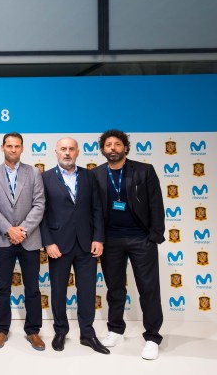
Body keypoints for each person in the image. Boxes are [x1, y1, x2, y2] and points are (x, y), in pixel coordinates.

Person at [92, 129, 165, 360]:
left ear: (125, 147)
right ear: (103, 149)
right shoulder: (96, 174)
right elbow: (93, 211)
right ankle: (115, 330)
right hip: (111, 239)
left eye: (117, 144)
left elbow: (156, 204)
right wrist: (98, 238)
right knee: (114, 288)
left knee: (148, 289)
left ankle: (152, 337)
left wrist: (154, 236)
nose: (112, 148)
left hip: (140, 238)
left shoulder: (144, 170)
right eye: (108, 145)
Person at [40, 138, 108, 354]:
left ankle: (87, 334)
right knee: (58, 290)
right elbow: (40, 213)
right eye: (63, 149)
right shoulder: (45, 178)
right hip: (58, 245)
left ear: (78, 152)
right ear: (56, 151)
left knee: (87, 291)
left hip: (87, 244)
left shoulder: (89, 176)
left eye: (71, 149)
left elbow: (97, 209)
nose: (67, 153)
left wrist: (98, 237)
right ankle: (60, 331)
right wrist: (48, 242)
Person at [0, 132, 45, 350]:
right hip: (3, 239)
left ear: (22, 148)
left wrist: (23, 230)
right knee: (2, 288)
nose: (13, 149)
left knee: (33, 288)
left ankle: (33, 331)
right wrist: (10, 230)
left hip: (29, 239)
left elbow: (39, 204)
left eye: (17, 146)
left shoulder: (34, 173)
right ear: (2, 148)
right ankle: (1, 329)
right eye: (9, 146)